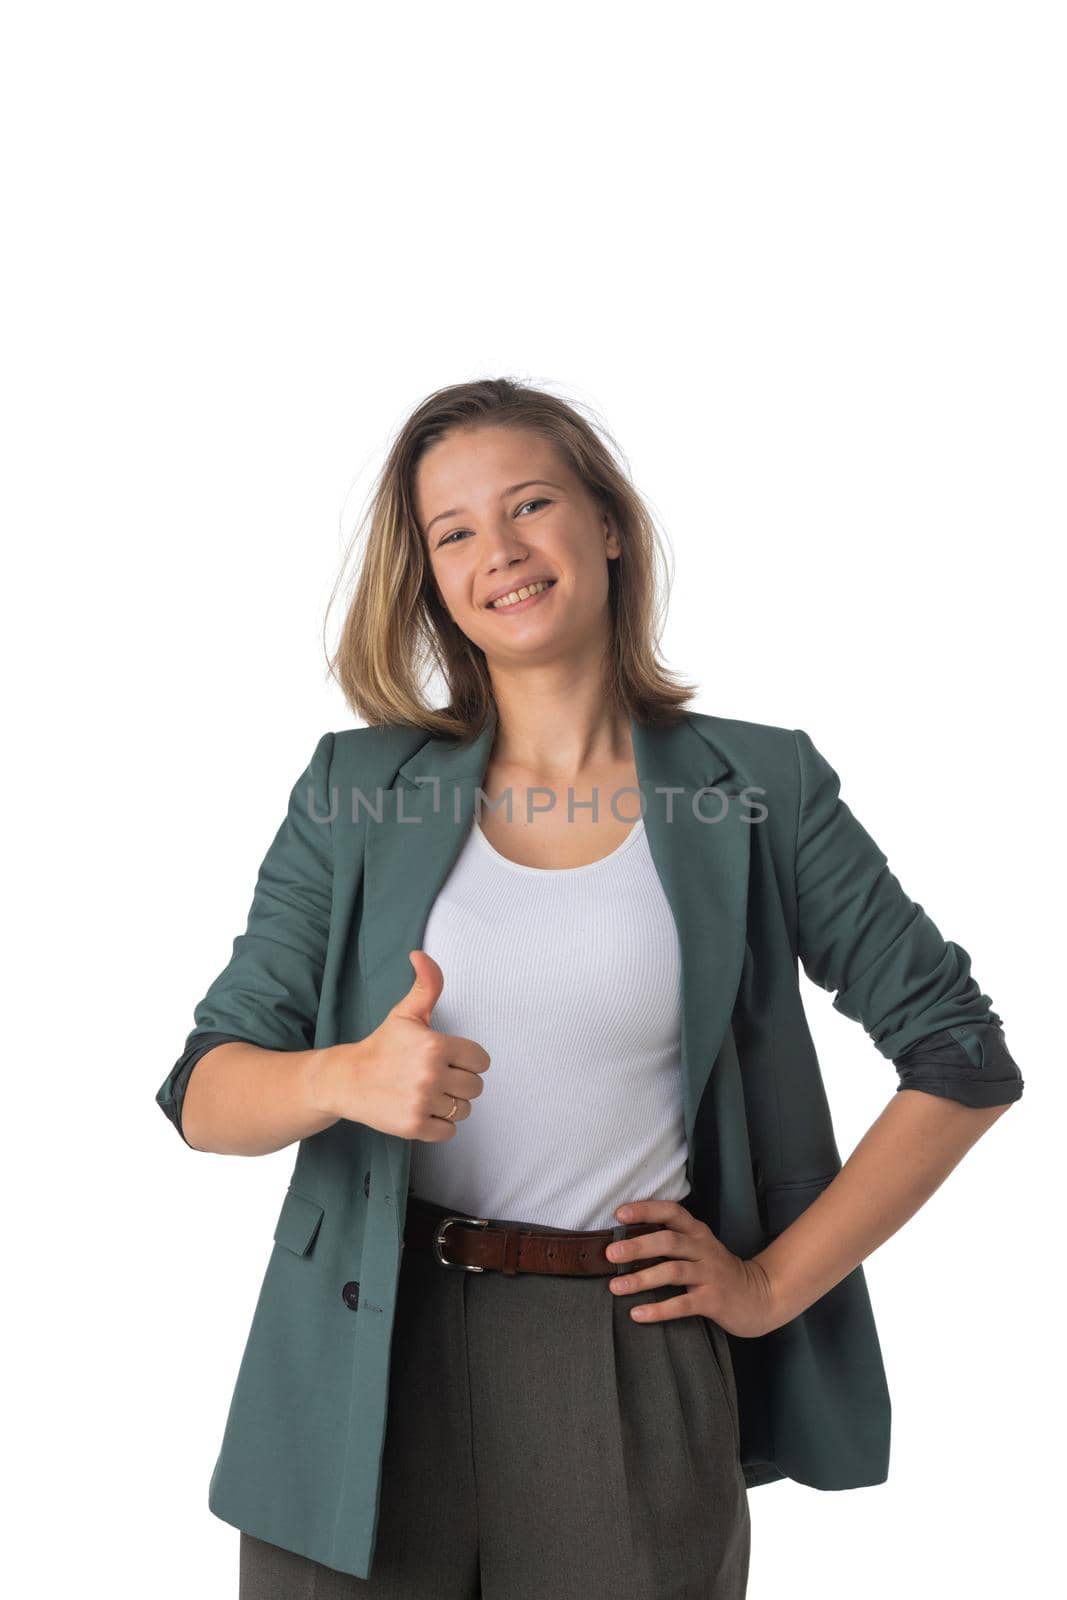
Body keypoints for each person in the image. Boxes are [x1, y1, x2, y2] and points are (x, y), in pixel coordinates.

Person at [157, 377, 1024, 1598]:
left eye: (528, 505)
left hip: (625, 1351)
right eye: (453, 532)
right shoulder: (355, 790)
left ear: (605, 522)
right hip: (363, 1353)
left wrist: (769, 1281)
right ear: (430, 580)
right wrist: (344, 1076)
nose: (497, 551)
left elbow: (957, 1051)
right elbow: (206, 1090)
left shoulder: (759, 786)